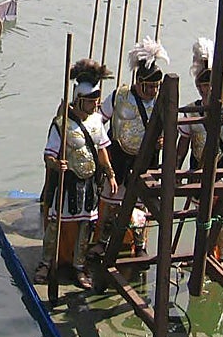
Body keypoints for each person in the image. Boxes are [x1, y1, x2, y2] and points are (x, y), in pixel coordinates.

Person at [35, 59, 116, 289]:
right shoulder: (61, 125)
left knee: (85, 225)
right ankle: (45, 263)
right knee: (55, 223)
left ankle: (79, 266)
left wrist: (109, 174)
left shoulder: (97, 122)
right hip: (68, 182)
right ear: (80, 100)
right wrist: (55, 164)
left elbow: (101, 151)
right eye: (91, 101)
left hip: (89, 183)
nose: (95, 104)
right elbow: (48, 154)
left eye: (96, 100)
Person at [94, 38, 167, 256]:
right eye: (149, 86)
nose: (153, 90)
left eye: (156, 86)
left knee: (141, 206)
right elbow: (99, 121)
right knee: (110, 201)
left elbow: (170, 130)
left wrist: (162, 140)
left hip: (145, 160)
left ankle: (140, 245)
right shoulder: (119, 96)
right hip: (118, 155)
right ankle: (102, 242)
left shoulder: (162, 102)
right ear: (139, 82)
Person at [175, 37, 223, 267]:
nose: (205, 90)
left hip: (222, 173)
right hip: (199, 171)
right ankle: (200, 256)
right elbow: (183, 144)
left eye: (209, 86)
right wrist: (174, 169)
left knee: (221, 216)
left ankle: (222, 259)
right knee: (201, 216)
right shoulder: (193, 112)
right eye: (202, 86)